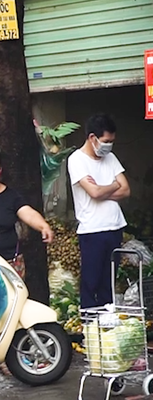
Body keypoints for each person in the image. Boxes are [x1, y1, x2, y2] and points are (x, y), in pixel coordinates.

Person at [67, 114, 129, 309]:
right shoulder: (76, 160)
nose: (109, 146)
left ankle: (107, 323)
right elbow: (93, 192)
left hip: (115, 226)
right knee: (91, 281)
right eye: (106, 141)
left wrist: (103, 191)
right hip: (92, 230)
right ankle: (89, 324)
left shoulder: (110, 158)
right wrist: (112, 185)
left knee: (108, 282)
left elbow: (126, 189)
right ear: (93, 138)